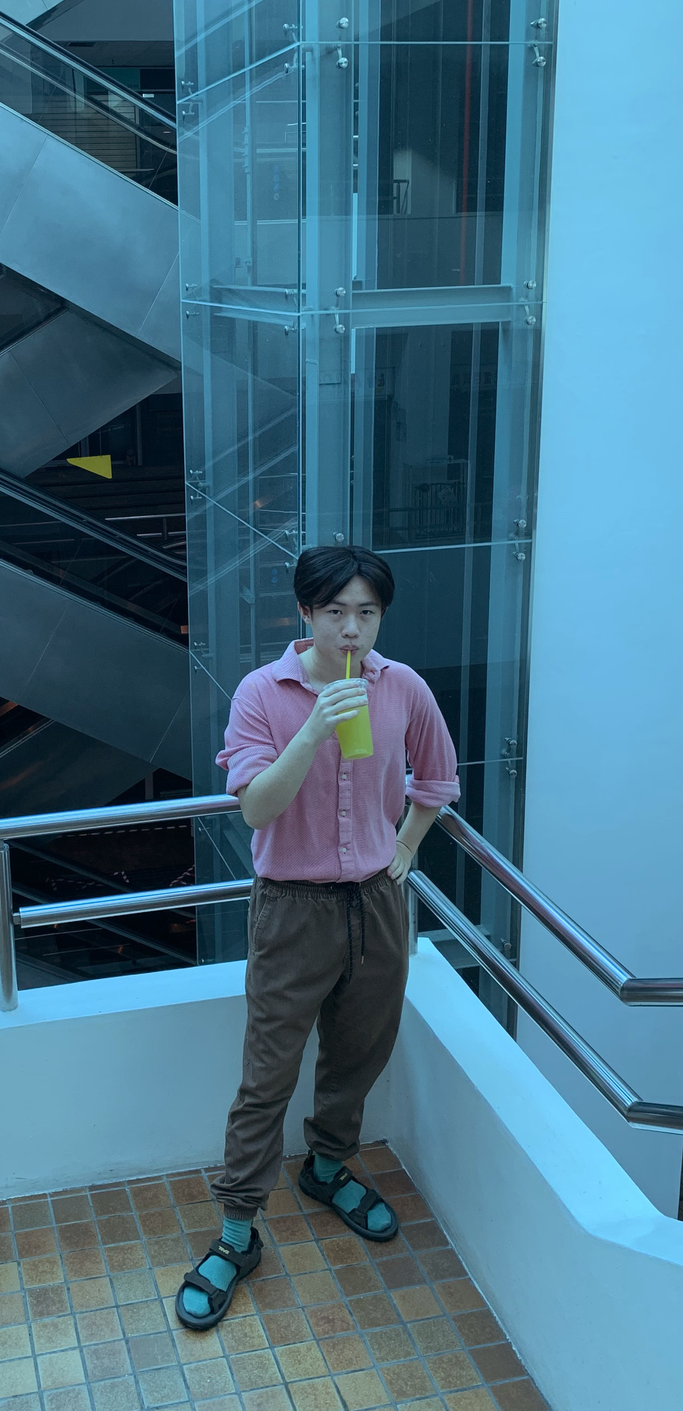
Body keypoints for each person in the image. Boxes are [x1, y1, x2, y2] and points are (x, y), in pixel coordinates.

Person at [175, 545, 460, 1330]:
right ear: (305, 613)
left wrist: (405, 847)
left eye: (367, 612)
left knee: (360, 1049)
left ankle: (328, 1166)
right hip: (291, 908)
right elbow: (256, 808)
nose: (352, 629)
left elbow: (437, 778)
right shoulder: (262, 693)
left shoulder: (402, 687)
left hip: (376, 901)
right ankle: (237, 1231)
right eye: (336, 612)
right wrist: (314, 729)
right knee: (267, 1072)